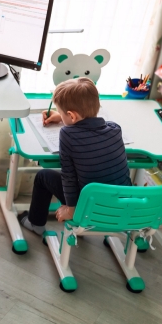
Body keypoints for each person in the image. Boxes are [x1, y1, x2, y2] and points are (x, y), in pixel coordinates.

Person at [18, 77, 131, 235]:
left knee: (43, 176)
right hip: (120, 206)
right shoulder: (115, 129)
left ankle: (35, 223)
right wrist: (63, 117)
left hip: (88, 207)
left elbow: (69, 177)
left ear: (72, 116)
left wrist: (71, 210)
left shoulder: (67, 134)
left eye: (63, 114)